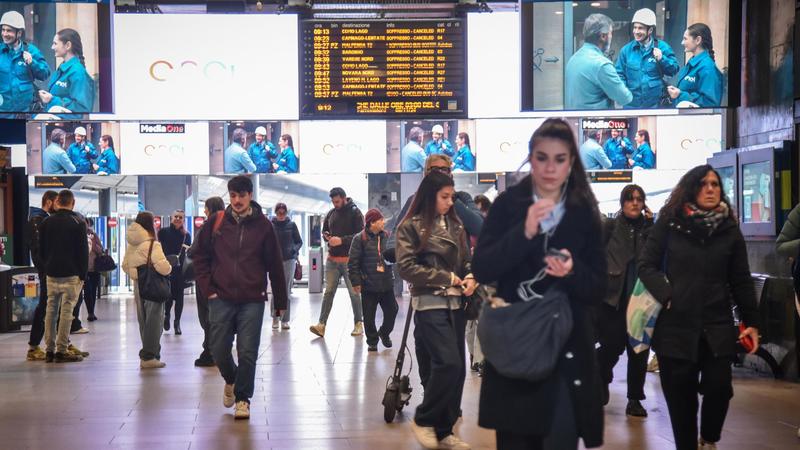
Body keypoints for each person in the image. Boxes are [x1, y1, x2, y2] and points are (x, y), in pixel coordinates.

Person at [473, 118, 606, 449]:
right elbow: (484, 268)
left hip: (566, 350)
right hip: (517, 346)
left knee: (560, 437)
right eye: (542, 157)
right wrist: (524, 233)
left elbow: (598, 288)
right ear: (530, 159)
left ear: (571, 163)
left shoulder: (583, 211)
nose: (550, 168)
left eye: (560, 159)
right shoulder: (508, 206)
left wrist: (572, 272)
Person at [638, 164, 760, 450]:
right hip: (675, 326)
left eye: (715, 185)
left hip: (716, 325)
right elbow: (647, 265)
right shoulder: (669, 224)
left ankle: (709, 437)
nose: (710, 189)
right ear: (691, 189)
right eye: (704, 184)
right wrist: (667, 294)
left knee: (720, 388)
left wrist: (752, 322)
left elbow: (740, 279)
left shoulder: (728, 229)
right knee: (681, 397)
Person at [192, 175, 288, 420]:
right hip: (221, 296)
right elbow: (199, 256)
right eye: (232, 195)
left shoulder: (264, 226)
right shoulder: (217, 222)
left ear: (250, 196)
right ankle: (232, 379)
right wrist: (207, 288)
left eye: (241, 195)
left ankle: (243, 399)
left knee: (247, 351)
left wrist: (280, 302)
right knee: (218, 349)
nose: (236, 200)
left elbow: (275, 265)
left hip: (252, 298)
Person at [396, 171, 475, 450]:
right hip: (430, 303)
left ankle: (444, 430)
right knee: (448, 363)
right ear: (430, 196)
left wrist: (470, 276)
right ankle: (424, 418)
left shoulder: (455, 225)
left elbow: (466, 260)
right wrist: (448, 278)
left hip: (457, 304)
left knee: (458, 372)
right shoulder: (411, 227)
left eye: (452, 197)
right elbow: (405, 267)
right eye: (444, 197)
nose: (450, 202)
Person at [596, 185, 653, 418]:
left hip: (642, 300)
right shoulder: (609, 227)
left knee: (638, 352)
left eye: (639, 199)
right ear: (622, 203)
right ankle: (600, 376)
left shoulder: (650, 229)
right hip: (612, 299)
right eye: (630, 199)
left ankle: (635, 399)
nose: (635, 203)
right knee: (611, 346)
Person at [39, 189, 88, 363]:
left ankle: (49, 350)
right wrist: (83, 274)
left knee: (50, 311)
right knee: (67, 312)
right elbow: (83, 252)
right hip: (71, 274)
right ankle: (61, 350)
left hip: (51, 273)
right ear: (72, 203)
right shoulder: (78, 222)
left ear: (57, 202)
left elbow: (41, 250)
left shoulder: (46, 222)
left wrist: (46, 267)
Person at [310, 187, 365, 338]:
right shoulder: (331, 213)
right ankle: (321, 325)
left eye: (337, 201)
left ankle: (358, 323)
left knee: (354, 293)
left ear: (344, 198)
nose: (335, 204)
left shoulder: (355, 213)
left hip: (349, 261)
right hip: (332, 260)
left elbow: (360, 236)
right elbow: (325, 230)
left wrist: (341, 240)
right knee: (328, 293)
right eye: (333, 202)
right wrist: (326, 236)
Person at [121, 211, 173, 369]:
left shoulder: (132, 243)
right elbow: (163, 268)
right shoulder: (152, 244)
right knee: (154, 321)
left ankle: (150, 353)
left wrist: (137, 275)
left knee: (143, 320)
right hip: (153, 285)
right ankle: (149, 356)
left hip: (139, 285)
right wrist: (170, 267)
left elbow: (124, 265)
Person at [348, 208, 398, 352]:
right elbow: (353, 263)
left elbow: (393, 255)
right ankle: (372, 341)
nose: (383, 222)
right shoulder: (359, 239)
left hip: (386, 283)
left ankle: (384, 332)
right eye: (380, 220)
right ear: (372, 223)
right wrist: (356, 282)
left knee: (392, 311)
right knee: (369, 316)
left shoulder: (387, 236)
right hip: (368, 285)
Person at [615, 8, 680, 109]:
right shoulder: (626, 50)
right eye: (635, 27)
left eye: (640, 28)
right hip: (631, 106)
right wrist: (623, 93)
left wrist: (662, 59)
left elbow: (674, 70)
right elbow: (619, 74)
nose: (636, 31)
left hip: (655, 105)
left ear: (650, 30)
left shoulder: (662, 47)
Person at [565, 13, 632, 110]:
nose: (611, 37)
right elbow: (625, 98)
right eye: (610, 33)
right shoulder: (602, 65)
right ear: (603, 36)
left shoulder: (573, 59)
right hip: (596, 122)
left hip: (574, 121)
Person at [191, 196, 225, 367]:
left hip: (205, 277)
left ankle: (210, 351)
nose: (204, 211)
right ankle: (216, 348)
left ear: (210, 208)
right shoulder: (230, 225)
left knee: (207, 315)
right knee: (218, 315)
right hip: (223, 277)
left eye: (205, 208)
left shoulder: (207, 226)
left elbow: (194, 250)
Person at [25, 190, 58, 361]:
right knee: (45, 306)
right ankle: (33, 346)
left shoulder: (45, 219)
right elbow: (37, 252)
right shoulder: (37, 220)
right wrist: (47, 270)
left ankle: (61, 342)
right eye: (58, 202)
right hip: (47, 272)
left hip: (51, 271)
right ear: (50, 202)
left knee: (53, 307)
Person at [0, 11, 50, 115]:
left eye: (9, 31)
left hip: (26, 112)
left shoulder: (31, 50)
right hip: (4, 112)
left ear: (19, 33)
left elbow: (45, 74)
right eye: (3, 30)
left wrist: (33, 63)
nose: (4, 34)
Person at [667, 23, 724, 108]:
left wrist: (680, 94)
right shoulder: (692, 63)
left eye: (685, 39)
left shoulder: (707, 68)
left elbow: (710, 103)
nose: (682, 42)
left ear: (697, 40)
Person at [38, 29, 94, 113]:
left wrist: (52, 99)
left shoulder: (77, 72)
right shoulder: (62, 68)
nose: (52, 47)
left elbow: (82, 108)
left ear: (68, 45)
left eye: (55, 43)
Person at [158, 209, 191, 335]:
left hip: (180, 270)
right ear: (171, 218)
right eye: (175, 216)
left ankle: (177, 323)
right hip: (166, 268)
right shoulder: (163, 232)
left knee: (180, 297)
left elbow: (187, 253)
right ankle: (167, 316)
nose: (178, 219)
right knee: (168, 296)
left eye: (180, 217)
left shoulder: (186, 235)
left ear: (183, 220)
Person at [271, 202, 302, 330]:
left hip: (289, 260)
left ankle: (284, 320)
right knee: (276, 292)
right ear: (276, 213)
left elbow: (299, 241)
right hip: (275, 261)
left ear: (287, 213)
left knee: (287, 291)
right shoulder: (271, 226)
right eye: (279, 213)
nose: (282, 215)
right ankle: (276, 317)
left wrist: (293, 251)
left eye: (284, 213)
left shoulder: (292, 225)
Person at [83, 217, 103, 322]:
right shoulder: (78, 235)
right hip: (83, 269)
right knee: (87, 291)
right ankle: (90, 312)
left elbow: (100, 250)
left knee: (93, 291)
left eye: (86, 223)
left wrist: (93, 245)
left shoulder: (94, 235)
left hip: (94, 268)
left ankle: (92, 312)